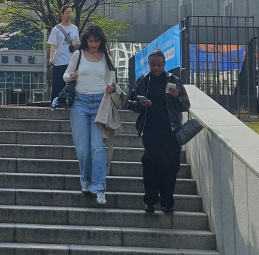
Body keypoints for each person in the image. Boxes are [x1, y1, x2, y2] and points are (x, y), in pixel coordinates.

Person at [128, 49, 190, 214]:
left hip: (171, 130)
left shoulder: (173, 80)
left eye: (160, 65)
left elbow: (186, 105)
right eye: (153, 65)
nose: (156, 68)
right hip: (150, 129)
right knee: (151, 163)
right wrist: (140, 104)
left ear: (165, 64)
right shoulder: (143, 81)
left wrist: (177, 96)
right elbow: (130, 103)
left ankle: (167, 202)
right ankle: (150, 200)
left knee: (171, 165)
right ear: (148, 64)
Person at [62, 24, 117, 206]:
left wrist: (110, 88)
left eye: (96, 41)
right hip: (79, 102)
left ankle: (99, 186)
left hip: (100, 103)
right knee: (83, 148)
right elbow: (65, 76)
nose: (93, 44)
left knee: (98, 146)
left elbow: (111, 81)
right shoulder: (78, 55)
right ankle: (86, 180)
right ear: (86, 40)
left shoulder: (107, 58)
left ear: (101, 41)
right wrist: (72, 76)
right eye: (91, 41)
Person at [48, 6, 80, 101]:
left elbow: (77, 42)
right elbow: (53, 45)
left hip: (71, 60)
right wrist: (51, 58)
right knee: (58, 84)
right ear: (62, 14)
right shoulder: (56, 29)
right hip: (59, 60)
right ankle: (56, 103)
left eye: (71, 12)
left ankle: (70, 102)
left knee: (71, 84)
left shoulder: (75, 28)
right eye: (67, 13)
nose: (69, 15)